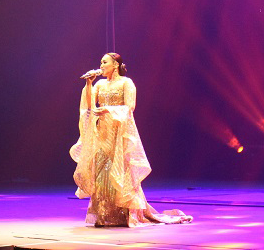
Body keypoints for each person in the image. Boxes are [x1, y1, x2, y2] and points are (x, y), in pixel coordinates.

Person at [70, 53, 192, 226]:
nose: (101, 65)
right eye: (101, 62)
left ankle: (123, 215)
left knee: (120, 170)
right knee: (102, 172)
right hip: (103, 132)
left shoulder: (126, 83)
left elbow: (130, 107)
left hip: (119, 132)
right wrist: (89, 84)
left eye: (105, 62)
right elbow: (89, 104)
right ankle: (104, 215)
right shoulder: (100, 84)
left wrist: (108, 110)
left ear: (115, 64)